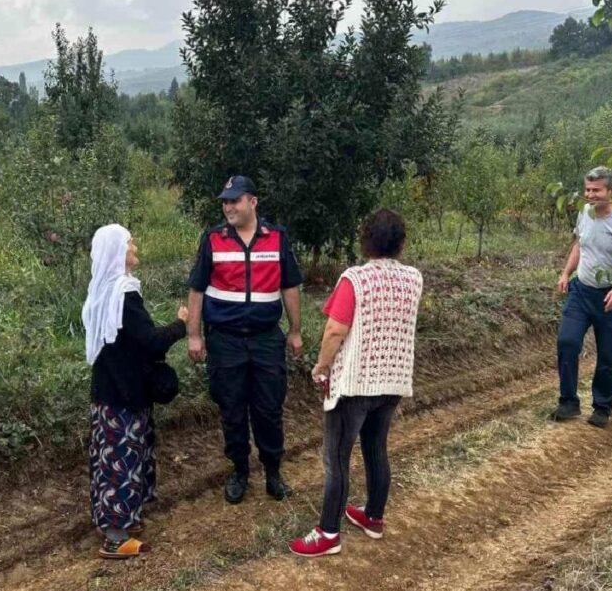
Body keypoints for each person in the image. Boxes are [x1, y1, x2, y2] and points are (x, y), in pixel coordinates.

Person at [289, 209, 423, 558]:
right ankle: (373, 517)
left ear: (365, 240)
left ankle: (328, 532)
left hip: (355, 383)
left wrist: (321, 366)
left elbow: (335, 330)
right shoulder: (414, 279)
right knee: (376, 449)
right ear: (401, 242)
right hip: (392, 380)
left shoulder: (355, 280)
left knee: (337, 457)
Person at [186, 175, 304, 504]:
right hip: (225, 341)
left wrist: (295, 330)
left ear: (252, 202)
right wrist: (194, 335)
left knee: (268, 409)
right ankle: (239, 470)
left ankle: (272, 472)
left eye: (235, 200)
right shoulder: (213, 239)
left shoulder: (277, 238)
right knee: (232, 410)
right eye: (225, 201)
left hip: (267, 339)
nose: (228, 207)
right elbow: (196, 289)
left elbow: (290, 287)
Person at [83, 224, 188, 559]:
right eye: (129, 242)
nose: (134, 245)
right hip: (125, 396)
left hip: (108, 392)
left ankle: (117, 521)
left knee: (108, 459)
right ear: (117, 252)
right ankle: (115, 536)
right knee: (122, 461)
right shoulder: (124, 295)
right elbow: (150, 342)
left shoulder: (102, 292)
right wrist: (181, 324)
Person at [552, 166, 612, 429]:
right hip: (581, 290)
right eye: (587, 189)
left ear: (610, 191)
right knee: (567, 341)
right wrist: (565, 273)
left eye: (596, 190)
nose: (590, 195)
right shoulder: (585, 213)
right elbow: (579, 244)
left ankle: (602, 408)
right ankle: (568, 402)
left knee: (608, 353)